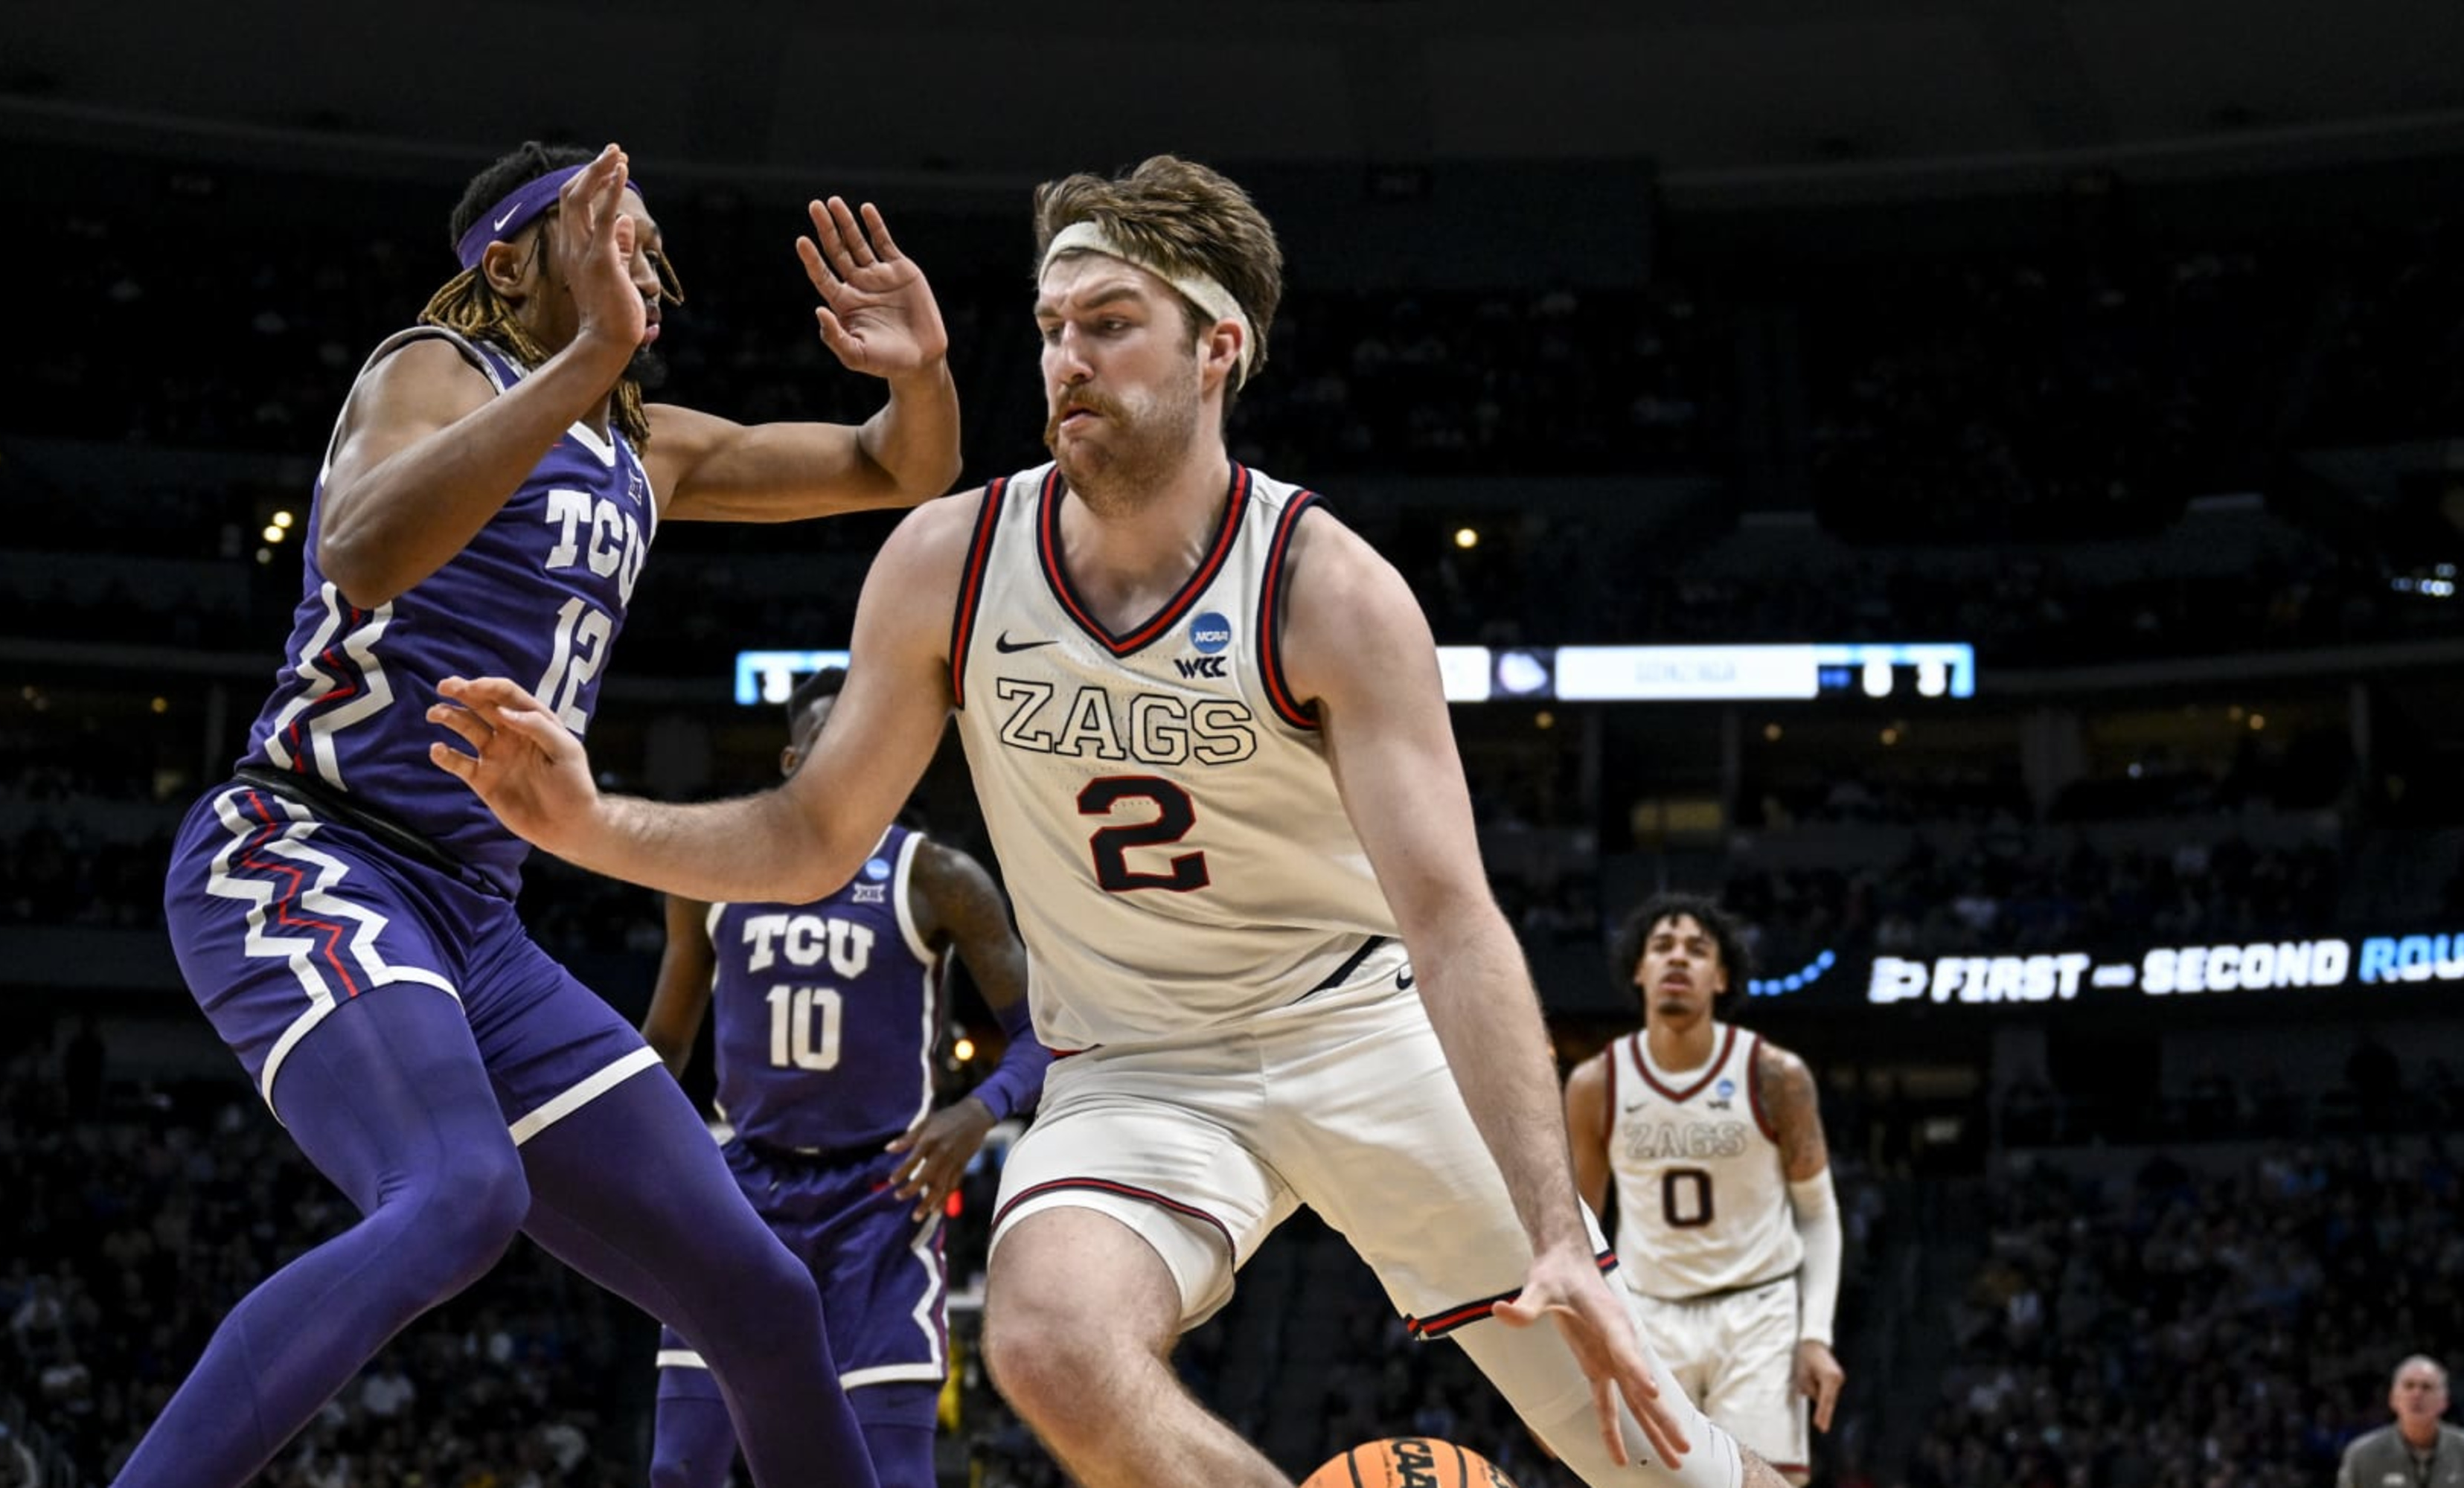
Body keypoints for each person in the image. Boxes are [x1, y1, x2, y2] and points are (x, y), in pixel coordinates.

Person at [428, 153, 1780, 1488]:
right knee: (1050, 1342)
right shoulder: (948, 564)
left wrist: (1557, 1227)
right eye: (1052, 329)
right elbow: (808, 838)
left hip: (1356, 1029)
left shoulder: (1329, 590)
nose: (1067, 359)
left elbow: (1452, 922)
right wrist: (590, 821)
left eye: (1112, 324)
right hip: (1132, 1069)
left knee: (1639, 1437)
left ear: (1217, 348)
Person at [132, 139, 961, 1487]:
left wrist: (919, 373)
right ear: (512, 262)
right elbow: (360, 547)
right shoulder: (434, 366)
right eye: (598, 227)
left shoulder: (656, 443)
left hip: (477, 914)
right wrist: (586, 362)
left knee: (759, 1293)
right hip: (303, 847)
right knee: (458, 1197)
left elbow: (895, 470)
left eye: (641, 231)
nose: (634, 250)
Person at [644, 664, 1046, 1488]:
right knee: (683, 1468)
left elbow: (1047, 1036)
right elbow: (663, 1048)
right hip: (745, 1190)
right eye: (834, 743)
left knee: (889, 1473)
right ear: (793, 762)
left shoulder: (936, 876)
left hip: (882, 1197)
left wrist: (979, 1110)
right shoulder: (709, 874)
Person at [1565, 895, 1845, 1485]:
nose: (1677, 959)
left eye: (1696, 950)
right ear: (1638, 970)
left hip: (1759, 1314)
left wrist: (1815, 1335)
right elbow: (1578, 1225)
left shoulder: (1776, 1076)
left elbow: (1818, 1216)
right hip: (1647, 1314)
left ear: (1720, 977)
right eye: (1661, 947)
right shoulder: (1596, 1084)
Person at [2338, 1356, 2464, 1488]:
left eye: (2427, 1387)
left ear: (2444, 1401)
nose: (2417, 1394)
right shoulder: (2362, 1456)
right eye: (2409, 1386)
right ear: (2393, 1399)